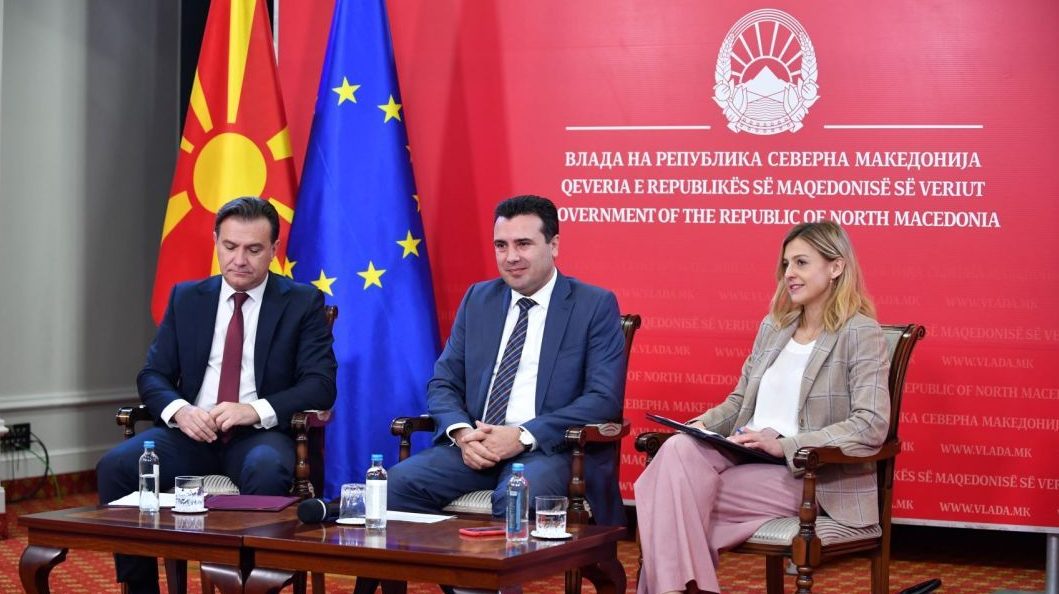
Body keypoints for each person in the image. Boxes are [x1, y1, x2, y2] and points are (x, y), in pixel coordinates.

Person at [96, 197, 337, 594]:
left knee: (266, 468)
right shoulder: (187, 297)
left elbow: (320, 385)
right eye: (230, 246)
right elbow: (153, 374)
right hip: (191, 433)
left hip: (260, 435)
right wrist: (180, 411)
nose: (239, 260)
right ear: (215, 243)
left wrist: (253, 410)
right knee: (117, 466)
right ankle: (140, 589)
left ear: (274, 250)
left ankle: (253, 585)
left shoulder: (301, 302)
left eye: (253, 249)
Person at [635, 220, 891, 594]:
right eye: (786, 264)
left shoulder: (860, 332)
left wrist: (786, 444)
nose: (789, 274)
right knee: (676, 450)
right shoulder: (774, 327)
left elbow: (870, 424)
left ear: (836, 267)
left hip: (809, 473)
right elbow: (740, 401)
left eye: (801, 263)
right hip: (745, 452)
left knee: (667, 495)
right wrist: (698, 426)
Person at [387, 194, 628, 527]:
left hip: (551, 450)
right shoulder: (478, 299)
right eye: (501, 245)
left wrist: (522, 435)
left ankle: (500, 565)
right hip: (477, 446)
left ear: (554, 245)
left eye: (523, 244)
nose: (511, 257)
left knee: (517, 495)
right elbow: (444, 382)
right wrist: (462, 434)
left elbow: (603, 399)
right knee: (394, 486)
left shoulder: (593, 305)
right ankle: (459, 563)